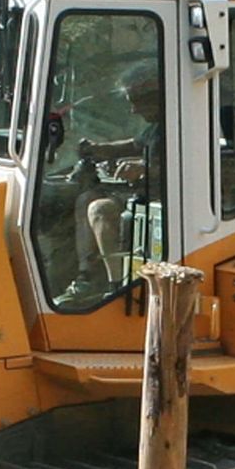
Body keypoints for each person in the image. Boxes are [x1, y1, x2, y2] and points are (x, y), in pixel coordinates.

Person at [57, 60, 163, 309]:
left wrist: (145, 168)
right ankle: (86, 278)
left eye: (136, 102)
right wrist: (99, 149)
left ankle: (118, 286)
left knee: (100, 209)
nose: (133, 111)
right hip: (145, 193)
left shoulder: (183, 123)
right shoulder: (156, 127)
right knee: (86, 199)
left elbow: (190, 165)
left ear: (154, 97)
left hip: (166, 200)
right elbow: (134, 145)